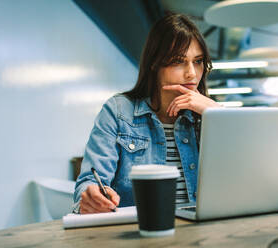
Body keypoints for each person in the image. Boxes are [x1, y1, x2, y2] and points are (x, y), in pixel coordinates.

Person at [72, 13, 221, 214]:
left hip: (202, 231)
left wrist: (217, 115)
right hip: (139, 233)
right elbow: (89, 182)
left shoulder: (210, 114)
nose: (192, 73)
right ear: (155, 63)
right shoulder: (118, 111)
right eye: (178, 61)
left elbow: (244, 177)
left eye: (198, 61)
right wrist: (92, 195)